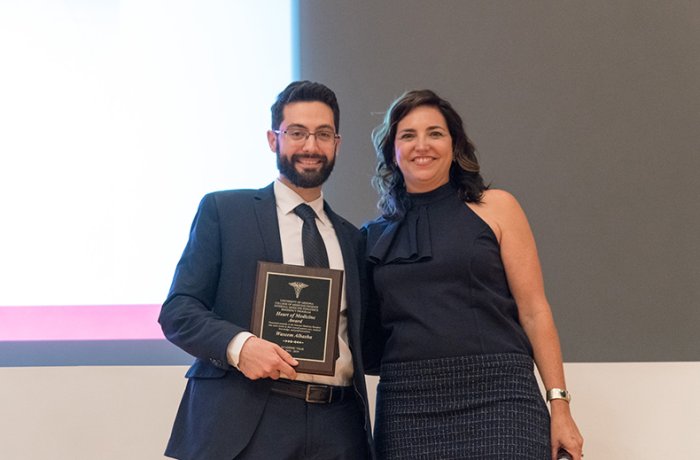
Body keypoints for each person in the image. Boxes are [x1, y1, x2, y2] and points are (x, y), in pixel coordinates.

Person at [362, 89, 583, 460]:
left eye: (435, 133)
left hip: (501, 396)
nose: (422, 145)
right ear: (392, 151)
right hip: (407, 406)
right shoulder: (372, 236)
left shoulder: (498, 208)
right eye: (408, 135)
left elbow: (534, 310)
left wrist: (560, 406)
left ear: (455, 144)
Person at [159, 81, 374, 460]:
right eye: (297, 133)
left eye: (323, 134)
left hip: (338, 427)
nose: (310, 146)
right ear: (273, 140)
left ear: (337, 144)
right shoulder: (225, 213)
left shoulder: (354, 240)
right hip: (248, 419)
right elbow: (179, 311)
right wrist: (240, 347)